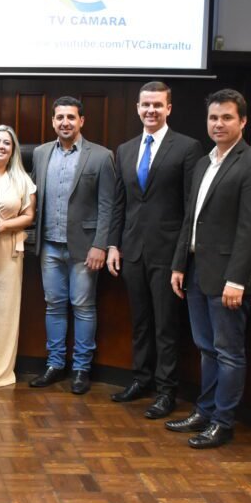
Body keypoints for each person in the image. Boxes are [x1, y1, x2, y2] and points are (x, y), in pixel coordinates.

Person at [167, 89, 251, 448]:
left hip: (229, 277)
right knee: (206, 347)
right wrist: (179, 264)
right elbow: (191, 220)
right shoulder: (203, 162)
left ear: (243, 121)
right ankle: (205, 410)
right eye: (214, 117)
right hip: (197, 270)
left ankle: (223, 422)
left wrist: (237, 279)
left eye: (227, 117)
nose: (219, 124)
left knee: (228, 351)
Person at [106, 82, 204, 419]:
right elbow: (121, 203)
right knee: (142, 323)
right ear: (137, 108)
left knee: (166, 326)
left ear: (169, 109)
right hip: (132, 250)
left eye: (157, 105)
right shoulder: (126, 149)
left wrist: (181, 258)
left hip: (167, 253)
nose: (151, 110)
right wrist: (114, 244)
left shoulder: (188, 148)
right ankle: (141, 380)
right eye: (146, 105)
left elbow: (191, 209)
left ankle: (166, 392)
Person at [29, 96, 114, 396]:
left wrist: (100, 245)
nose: (65, 122)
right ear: (53, 121)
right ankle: (54, 365)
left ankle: (81, 369)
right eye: (60, 117)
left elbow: (108, 205)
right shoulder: (40, 154)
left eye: (71, 117)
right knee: (53, 306)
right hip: (50, 245)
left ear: (82, 121)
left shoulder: (101, 156)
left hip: (84, 248)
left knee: (83, 307)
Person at [0, 125, 36, 387]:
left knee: (3, 313)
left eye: (7, 143)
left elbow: (29, 215)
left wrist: (2, 226)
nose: (1, 146)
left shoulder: (22, 179)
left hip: (8, 248)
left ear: (13, 150)